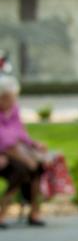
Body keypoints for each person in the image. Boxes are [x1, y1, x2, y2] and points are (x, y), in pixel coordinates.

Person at [0, 75, 48, 227]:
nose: (12, 101)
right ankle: (2, 212)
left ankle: (34, 212)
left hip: (13, 153)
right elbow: (5, 140)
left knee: (38, 168)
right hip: (4, 154)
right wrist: (25, 159)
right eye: (8, 97)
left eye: (14, 97)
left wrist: (34, 144)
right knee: (21, 171)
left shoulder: (13, 110)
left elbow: (20, 132)